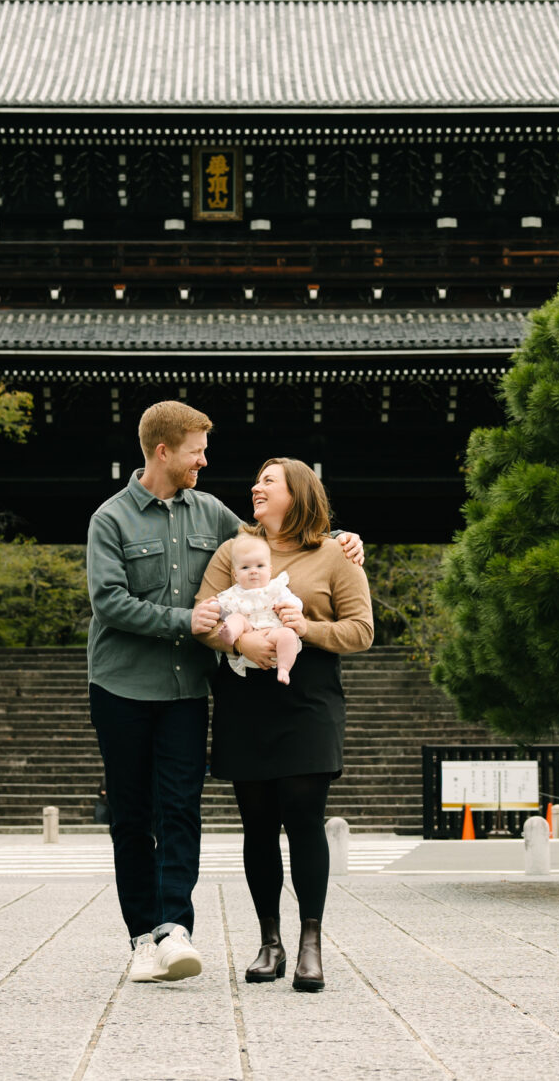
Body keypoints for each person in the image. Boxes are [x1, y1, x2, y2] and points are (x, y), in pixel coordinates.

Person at [84, 403, 361, 985]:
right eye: (197, 450)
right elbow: (108, 601)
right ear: (164, 451)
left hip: (187, 689)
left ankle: (175, 929)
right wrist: (189, 623)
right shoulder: (109, 520)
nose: (206, 461)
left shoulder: (211, 514)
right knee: (132, 817)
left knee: (181, 809)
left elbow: (275, 539)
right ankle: (143, 936)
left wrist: (341, 538)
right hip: (123, 685)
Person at [192, 457, 372, 992]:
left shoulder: (335, 553)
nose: (256, 486)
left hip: (308, 697)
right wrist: (238, 639)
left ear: (298, 492)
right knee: (258, 823)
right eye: (257, 480)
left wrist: (307, 629)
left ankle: (310, 942)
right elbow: (204, 616)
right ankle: (269, 941)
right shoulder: (234, 550)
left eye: (268, 480)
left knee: (304, 817)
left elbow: (361, 630)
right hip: (245, 696)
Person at [208, 533, 303, 683]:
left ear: (270, 569)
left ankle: (284, 668)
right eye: (245, 567)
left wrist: (290, 606)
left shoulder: (276, 588)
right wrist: (213, 607)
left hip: (273, 633)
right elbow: (220, 608)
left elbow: (295, 603)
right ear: (236, 574)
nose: (253, 571)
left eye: (260, 566)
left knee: (287, 635)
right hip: (247, 635)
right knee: (236, 618)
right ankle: (230, 634)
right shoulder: (233, 593)